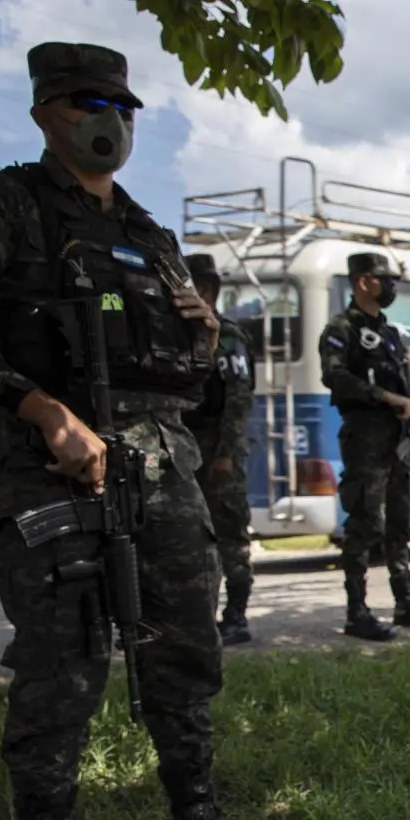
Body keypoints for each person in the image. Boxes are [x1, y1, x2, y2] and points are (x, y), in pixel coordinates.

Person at [0, 42, 260, 820]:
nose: (109, 120)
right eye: (86, 102)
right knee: (59, 667)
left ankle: (197, 816)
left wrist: (206, 337)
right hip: (50, 467)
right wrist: (40, 410)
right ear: (43, 112)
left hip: (162, 464)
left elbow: (193, 367)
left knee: (185, 646)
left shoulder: (150, 233)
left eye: (122, 105)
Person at [318, 251, 410, 641]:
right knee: (364, 525)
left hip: (401, 445)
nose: (389, 286)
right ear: (363, 282)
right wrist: (383, 398)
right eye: (383, 279)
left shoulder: (391, 335)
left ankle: (405, 602)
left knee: (399, 524)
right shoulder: (340, 328)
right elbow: (334, 376)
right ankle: (357, 611)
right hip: (366, 441)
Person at [185, 254, 256, 647]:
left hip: (217, 447)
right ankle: (198, 615)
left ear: (206, 291)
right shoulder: (176, 334)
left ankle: (236, 616)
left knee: (230, 534)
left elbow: (238, 400)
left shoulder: (228, 337)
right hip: (186, 447)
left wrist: (226, 453)